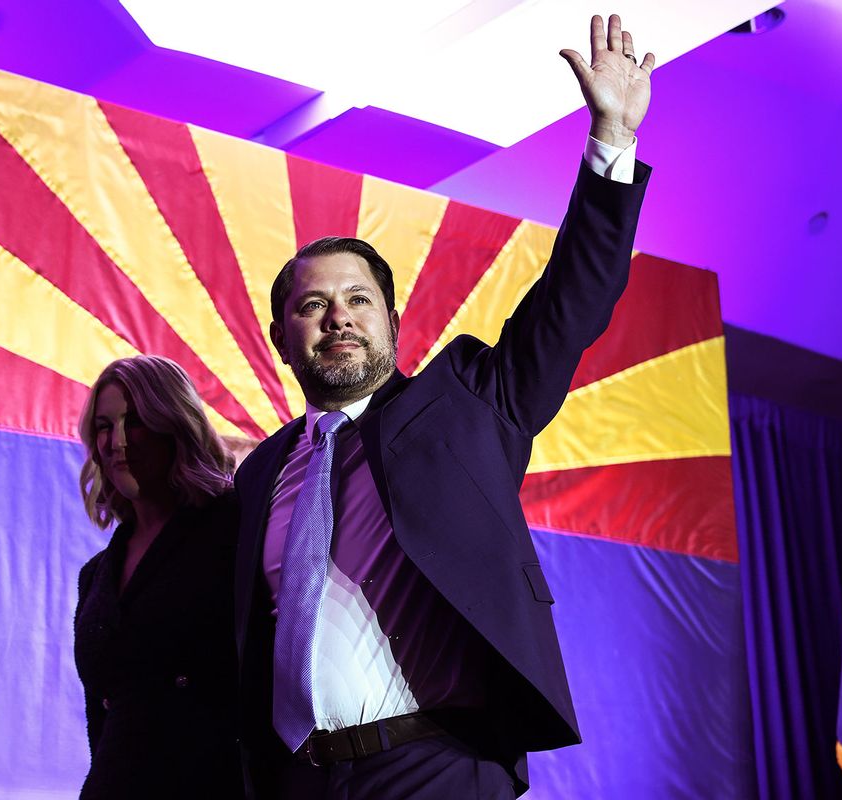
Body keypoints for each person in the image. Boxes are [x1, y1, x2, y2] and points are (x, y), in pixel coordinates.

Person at [233, 14, 654, 799]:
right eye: (314, 305)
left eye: (359, 299)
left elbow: (573, 301)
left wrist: (610, 144)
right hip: (298, 783)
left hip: (437, 766)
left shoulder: (468, 404)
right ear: (281, 336)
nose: (340, 317)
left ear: (393, 322)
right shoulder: (261, 474)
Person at [72, 355, 242, 798]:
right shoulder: (95, 577)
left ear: (174, 424)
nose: (118, 441)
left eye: (137, 421)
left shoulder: (235, 527)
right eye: (105, 426)